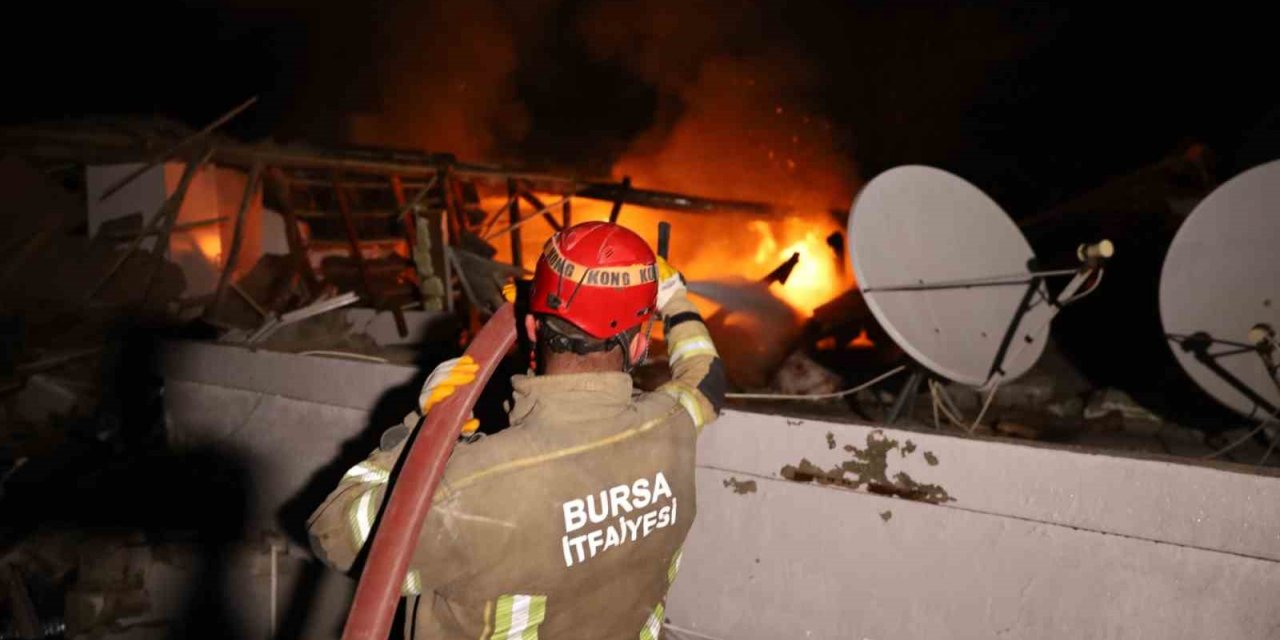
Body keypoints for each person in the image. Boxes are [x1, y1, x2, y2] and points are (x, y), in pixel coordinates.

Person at [307, 221, 726, 639]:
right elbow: (706, 377)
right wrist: (675, 299)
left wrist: (422, 427)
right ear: (638, 345)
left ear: (530, 328)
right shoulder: (673, 425)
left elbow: (335, 537)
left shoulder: (470, 485)